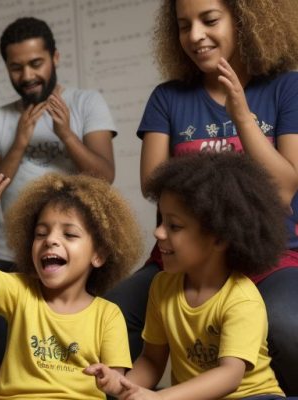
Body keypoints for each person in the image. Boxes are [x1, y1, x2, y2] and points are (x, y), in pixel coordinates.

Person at [105, 0, 298, 392]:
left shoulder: (286, 88)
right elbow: (153, 183)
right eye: (183, 25)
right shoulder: (167, 98)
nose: (195, 36)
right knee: (111, 315)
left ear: (245, 20)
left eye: (209, 20)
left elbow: (283, 189)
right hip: (187, 256)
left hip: (271, 256)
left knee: (287, 326)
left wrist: (241, 117)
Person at [0, 17, 117, 392]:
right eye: (16, 67)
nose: (27, 75)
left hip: (72, 253)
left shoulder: (86, 103)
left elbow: (105, 176)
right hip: (8, 255)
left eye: (36, 63)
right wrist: (19, 142)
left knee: (75, 354)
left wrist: (66, 134)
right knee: (2, 354)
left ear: (54, 57)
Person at [88, 153, 287, 400]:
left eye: (174, 226)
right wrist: (123, 387)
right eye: (161, 221)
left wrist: (160, 398)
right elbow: (151, 360)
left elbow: (230, 376)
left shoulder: (241, 300)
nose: (158, 232)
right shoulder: (162, 286)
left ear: (219, 237)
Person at [0, 173, 139, 399]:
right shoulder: (20, 291)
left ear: (98, 255)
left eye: (69, 234)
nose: (50, 240)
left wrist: (112, 381)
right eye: (41, 233)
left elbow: (117, 380)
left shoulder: (108, 315)